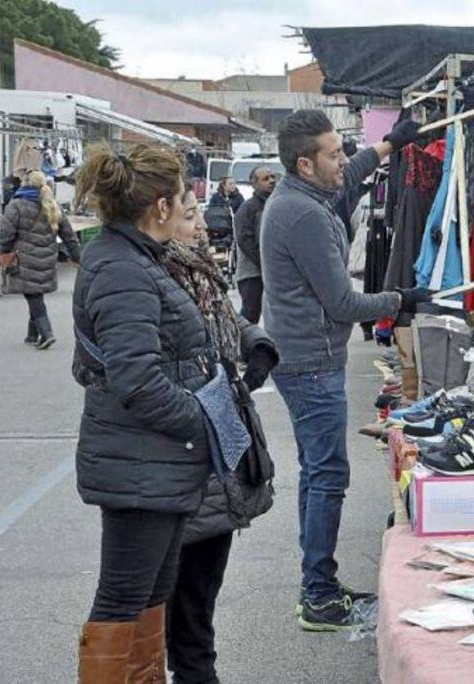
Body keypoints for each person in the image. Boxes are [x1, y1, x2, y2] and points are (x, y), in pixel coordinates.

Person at [261, 109, 429, 631]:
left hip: (303, 356)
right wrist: (401, 299)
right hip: (310, 363)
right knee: (328, 474)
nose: (342, 160)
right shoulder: (303, 214)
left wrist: (389, 146)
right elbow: (340, 303)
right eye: (333, 153)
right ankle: (318, 594)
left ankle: (319, 585)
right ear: (306, 163)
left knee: (318, 471)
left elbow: (351, 176)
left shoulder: (303, 194)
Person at [71, 144, 214, 681]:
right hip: (140, 463)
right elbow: (139, 381)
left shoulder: (137, 258)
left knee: (150, 593)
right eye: (183, 197)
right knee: (124, 597)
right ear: (159, 207)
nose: (188, 205)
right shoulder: (122, 268)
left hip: (155, 462)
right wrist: (206, 422)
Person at [163, 187, 278, 684]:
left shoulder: (197, 272)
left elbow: (226, 325)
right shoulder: (159, 277)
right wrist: (207, 406)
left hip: (213, 455)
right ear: (159, 216)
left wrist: (257, 344)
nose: (201, 225)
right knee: (187, 602)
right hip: (189, 457)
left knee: (199, 595)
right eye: (189, 216)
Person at [0, 170, 81, 349]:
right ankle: (32, 334)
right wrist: (78, 257)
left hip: (24, 258)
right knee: (34, 292)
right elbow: (69, 235)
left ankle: (47, 333)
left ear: (25, 184)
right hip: (47, 259)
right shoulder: (52, 204)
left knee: (33, 295)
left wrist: (3, 250)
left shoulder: (16, 204)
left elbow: (5, 233)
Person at [233, 165, 276, 323]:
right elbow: (245, 241)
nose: (271, 181)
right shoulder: (248, 209)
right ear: (254, 183)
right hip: (252, 273)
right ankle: (242, 346)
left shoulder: (275, 205)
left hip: (271, 271)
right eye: (266, 178)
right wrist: (264, 262)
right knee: (250, 314)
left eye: (272, 177)